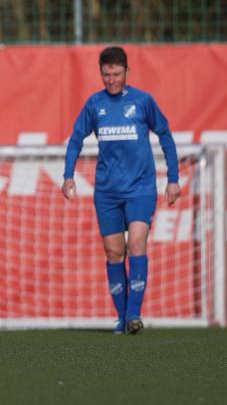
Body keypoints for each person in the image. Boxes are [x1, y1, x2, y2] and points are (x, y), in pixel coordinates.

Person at [62, 46, 180, 335]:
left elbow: (165, 135)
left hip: (140, 188)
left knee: (137, 244)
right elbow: (76, 138)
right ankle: (122, 317)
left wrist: (173, 178)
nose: (111, 80)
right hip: (107, 192)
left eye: (116, 74)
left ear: (127, 71)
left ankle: (133, 315)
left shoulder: (142, 101)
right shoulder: (95, 104)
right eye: (106, 75)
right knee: (114, 252)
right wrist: (68, 176)